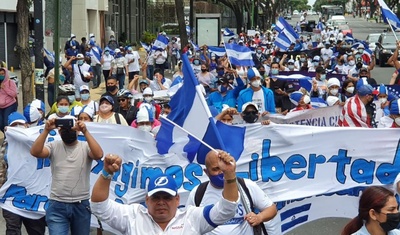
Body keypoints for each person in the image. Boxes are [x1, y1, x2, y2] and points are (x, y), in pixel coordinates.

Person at [91, 151, 239, 234]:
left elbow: (227, 209)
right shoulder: (133, 217)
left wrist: (230, 175)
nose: (161, 202)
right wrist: (107, 173)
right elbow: (99, 206)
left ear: (177, 200)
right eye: (156, 197)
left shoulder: (192, 217)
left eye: (167, 197)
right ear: (147, 200)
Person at [30, 117, 103, 235]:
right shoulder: (53, 146)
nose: (68, 131)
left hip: (81, 205)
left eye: (71, 128)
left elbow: (98, 154)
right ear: (59, 131)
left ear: (77, 130)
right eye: (64, 129)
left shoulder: (85, 146)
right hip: (57, 205)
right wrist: (46, 130)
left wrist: (85, 131)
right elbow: (35, 152)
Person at [186, 150, 277, 235]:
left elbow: (271, 209)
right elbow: (187, 223)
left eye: (224, 167)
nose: (221, 172)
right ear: (206, 172)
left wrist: (259, 218)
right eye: (216, 169)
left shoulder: (246, 185)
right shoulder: (197, 193)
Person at [0, 68, 18, 133]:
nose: (1, 76)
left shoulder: (11, 82)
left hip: (9, 105)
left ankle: (8, 137)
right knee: (1, 124)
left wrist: (5, 88)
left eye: (3, 74)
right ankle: (6, 135)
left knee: (6, 122)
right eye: (0, 74)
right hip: (0, 106)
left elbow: (14, 94)